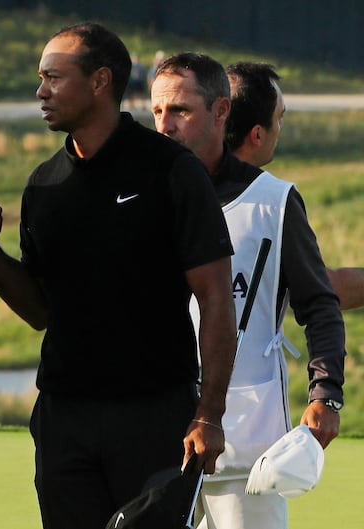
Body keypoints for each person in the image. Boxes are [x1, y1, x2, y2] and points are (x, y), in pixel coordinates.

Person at [0, 22, 237, 529]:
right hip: (63, 417)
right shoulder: (43, 184)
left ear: (99, 81)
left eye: (53, 77)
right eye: (40, 78)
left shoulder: (171, 170)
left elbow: (216, 299)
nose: (40, 91)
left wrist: (208, 414)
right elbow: (39, 312)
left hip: (155, 414)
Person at [150, 53, 346, 529]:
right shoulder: (145, 194)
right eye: (157, 112)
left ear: (219, 113)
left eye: (178, 111)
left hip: (245, 450)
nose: (164, 125)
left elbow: (319, 302)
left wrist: (326, 394)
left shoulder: (275, 201)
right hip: (152, 437)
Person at [225, 61, 364, 311]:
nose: (280, 128)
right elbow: (326, 287)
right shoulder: (274, 202)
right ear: (257, 135)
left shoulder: (185, 185)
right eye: (279, 118)